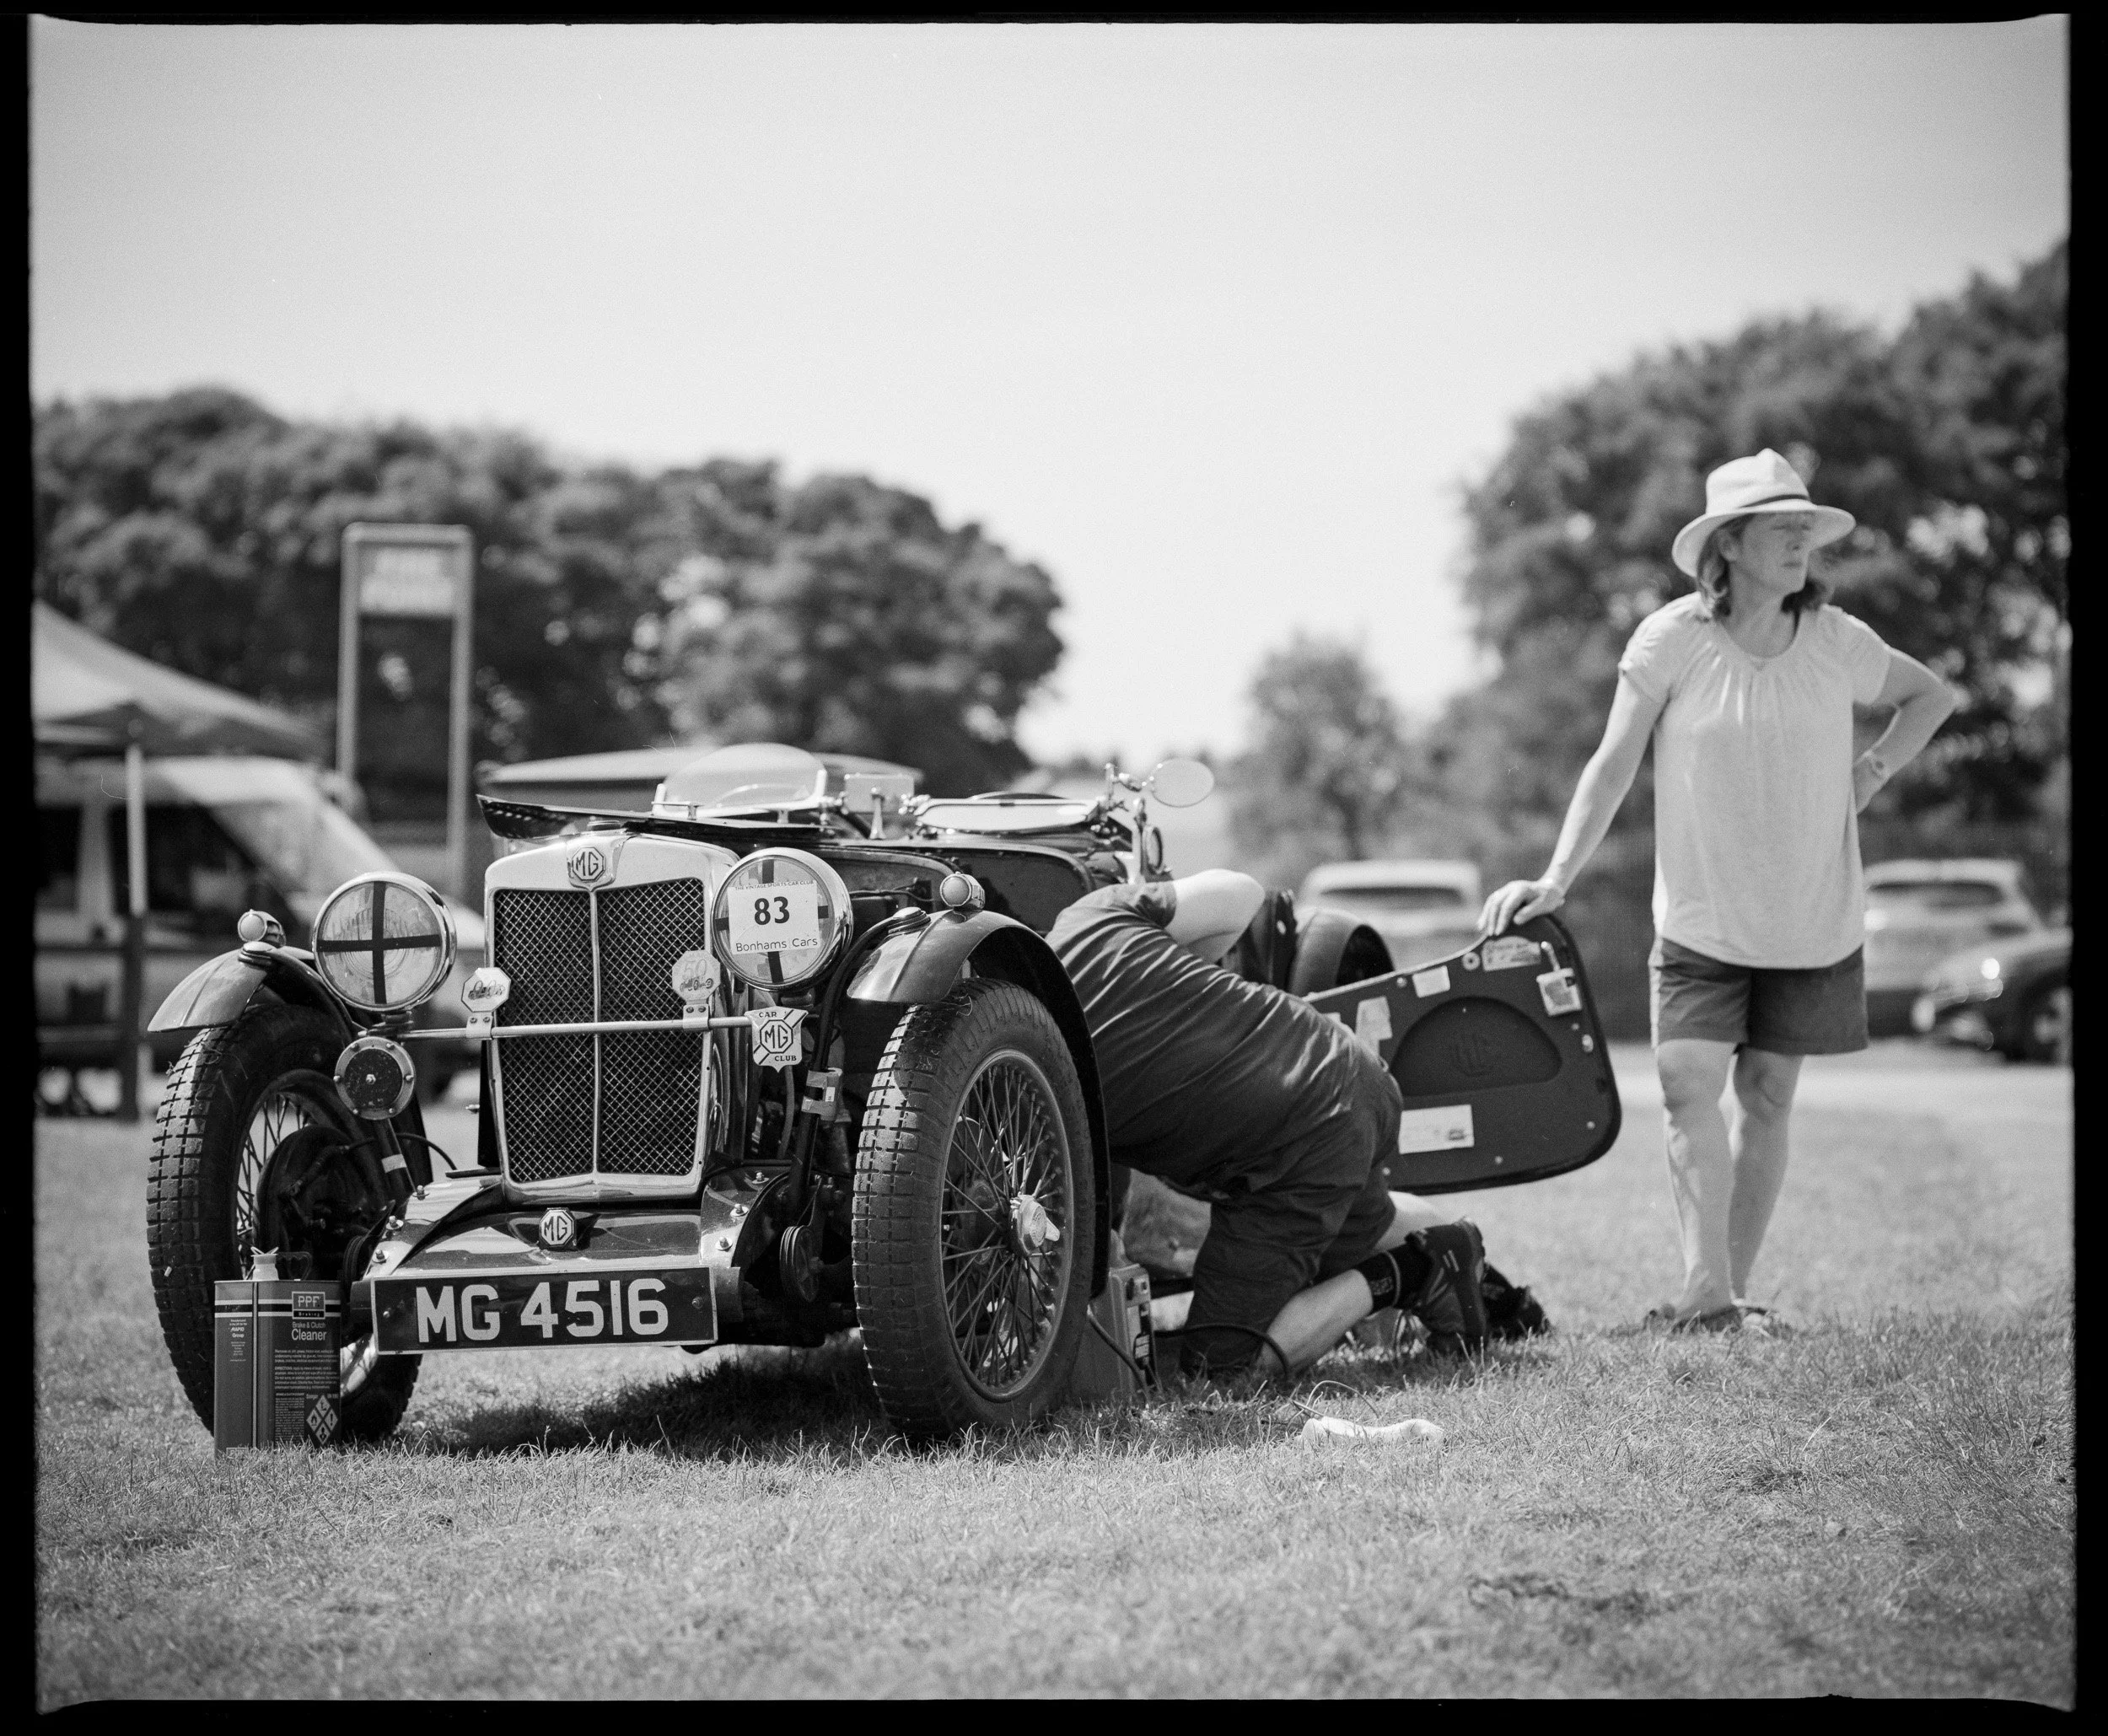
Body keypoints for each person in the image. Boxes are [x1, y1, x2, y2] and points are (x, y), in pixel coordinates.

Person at [1480, 449, 1957, 1331]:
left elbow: (1930, 697)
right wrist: (1555, 876)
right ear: (1726, 546)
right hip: (1700, 921)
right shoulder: (1672, 640)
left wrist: (1872, 771)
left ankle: (1722, 1297)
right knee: (1687, 1087)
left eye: (1804, 528)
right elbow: (1612, 761)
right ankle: (1705, 1292)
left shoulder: (1838, 642)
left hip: (1811, 923)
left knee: (1768, 1098)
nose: (1799, 541)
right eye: (1780, 527)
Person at [1047, 867, 1544, 1380]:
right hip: (1343, 1062)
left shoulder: (1035, 1066)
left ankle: (1412, 1274)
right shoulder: (1091, 915)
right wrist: (1185, 988)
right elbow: (1241, 890)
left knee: (1221, 1368)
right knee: (1364, 1224)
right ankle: (1498, 1299)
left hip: (1296, 1140)